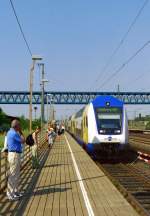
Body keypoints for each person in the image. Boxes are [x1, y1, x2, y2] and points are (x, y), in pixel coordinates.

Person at [7, 120, 25, 201]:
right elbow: (23, 140)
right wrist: (20, 132)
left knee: (16, 174)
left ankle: (15, 192)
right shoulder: (14, 133)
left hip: (14, 154)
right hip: (14, 155)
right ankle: (10, 194)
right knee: (13, 175)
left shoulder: (10, 132)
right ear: (16, 126)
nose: (20, 127)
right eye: (19, 125)